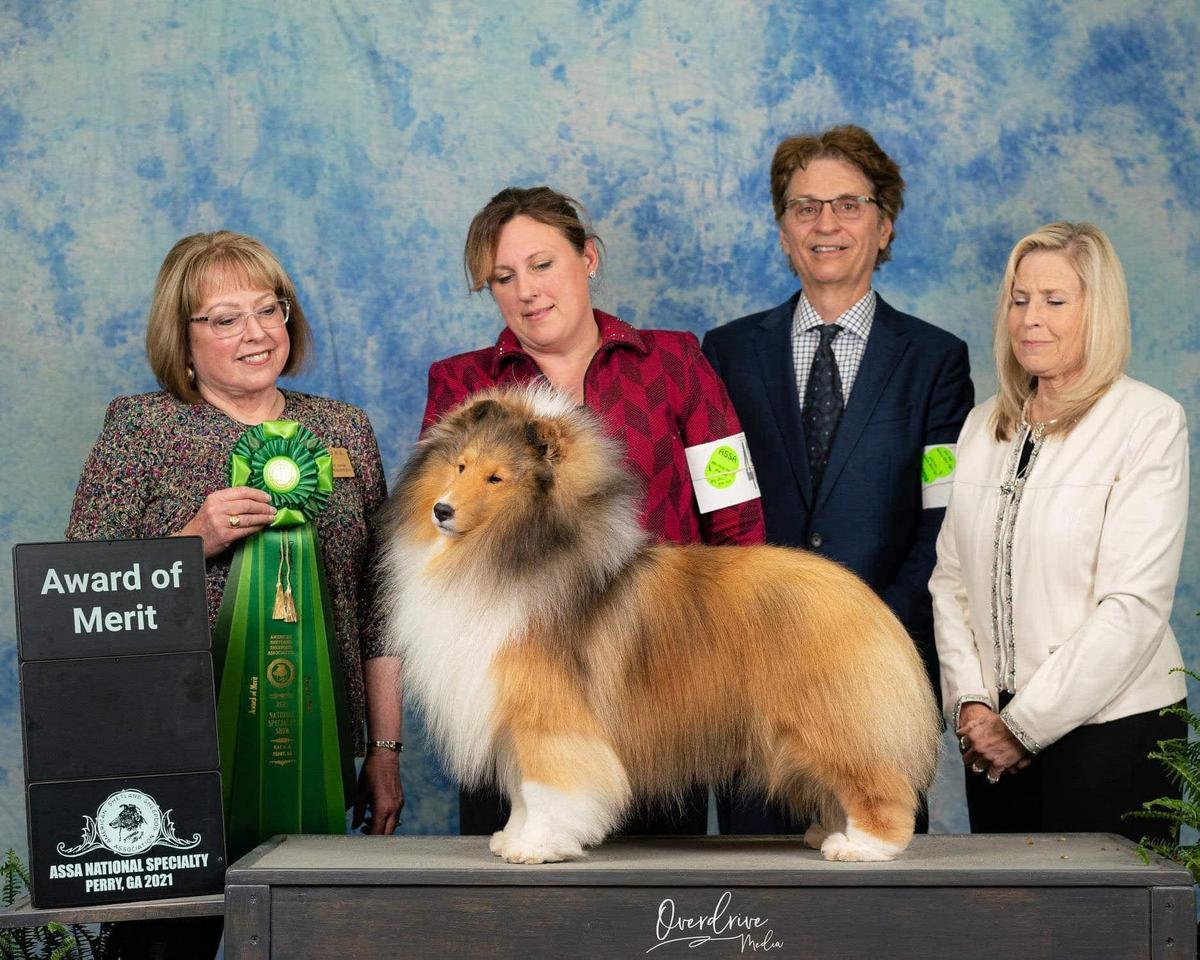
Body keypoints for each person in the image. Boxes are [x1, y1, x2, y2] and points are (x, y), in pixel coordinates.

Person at [65, 231, 403, 958]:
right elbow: (78, 604)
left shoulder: (344, 430)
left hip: (313, 749)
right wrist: (193, 541)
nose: (255, 333)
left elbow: (381, 608)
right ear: (181, 338)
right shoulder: (141, 430)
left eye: (267, 309)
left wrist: (383, 750)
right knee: (163, 950)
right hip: (171, 757)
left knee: (309, 944)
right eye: (224, 318)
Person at [423, 185, 766, 837]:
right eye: (503, 277)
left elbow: (737, 522)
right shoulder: (463, 387)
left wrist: (732, 678)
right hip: (518, 701)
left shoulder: (677, 362)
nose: (526, 290)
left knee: (661, 912)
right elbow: (440, 538)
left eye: (543, 264)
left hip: (660, 686)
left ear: (589, 259)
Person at [702, 125, 973, 834]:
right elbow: (715, 510)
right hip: (748, 686)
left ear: (884, 227)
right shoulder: (724, 354)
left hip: (876, 674)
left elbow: (942, 523)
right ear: (783, 231)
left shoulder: (937, 362)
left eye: (848, 205)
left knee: (871, 898)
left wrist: (866, 638)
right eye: (804, 208)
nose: (826, 224)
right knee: (747, 912)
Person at [931, 221, 1188, 840]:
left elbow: (1133, 608)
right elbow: (950, 581)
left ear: (1097, 311)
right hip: (990, 744)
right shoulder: (980, 425)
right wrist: (971, 704)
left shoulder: (1149, 422)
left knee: (1110, 936)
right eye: (1019, 300)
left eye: (1054, 301)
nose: (1028, 320)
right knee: (1008, 930)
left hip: (1113, 738)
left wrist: (1024, 728)